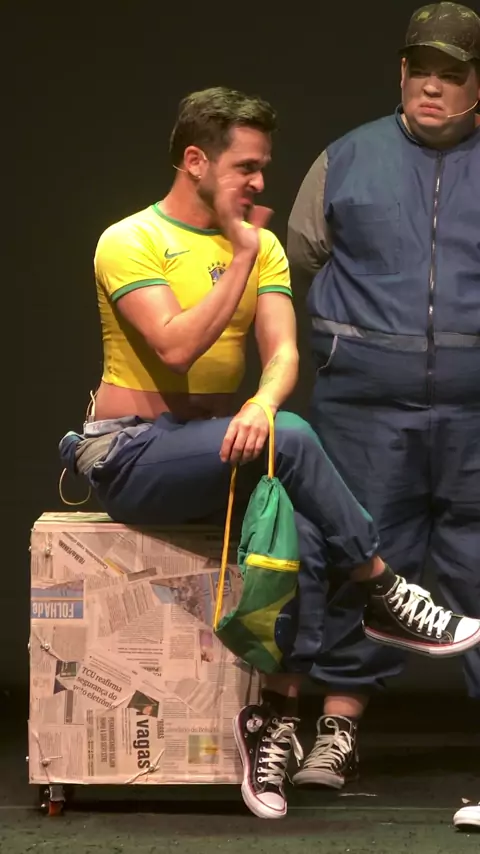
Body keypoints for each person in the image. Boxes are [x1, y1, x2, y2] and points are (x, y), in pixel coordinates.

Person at [59, 85, 480, 821]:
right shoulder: (131, 239)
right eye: (245, 168)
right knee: (292, 437)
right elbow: (177, 346)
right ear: (196, 160)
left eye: (263, 168)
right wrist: (243, 259)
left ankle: (273, 725)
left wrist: (259, 401)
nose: (259, 183)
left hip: (220, 450)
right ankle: (383, 587)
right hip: (132, 455)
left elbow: (284, 354)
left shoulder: (266, 246)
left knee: (306, 530)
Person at [287, 1, 480, 802]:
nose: (432, 87)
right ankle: (337, 730)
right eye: (420, 71)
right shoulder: (346, 159)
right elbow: (303, 253)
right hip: (365, 412)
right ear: (401, 73)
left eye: (451, 74)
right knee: (358, 564)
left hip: (476, 418)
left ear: (478, 83)